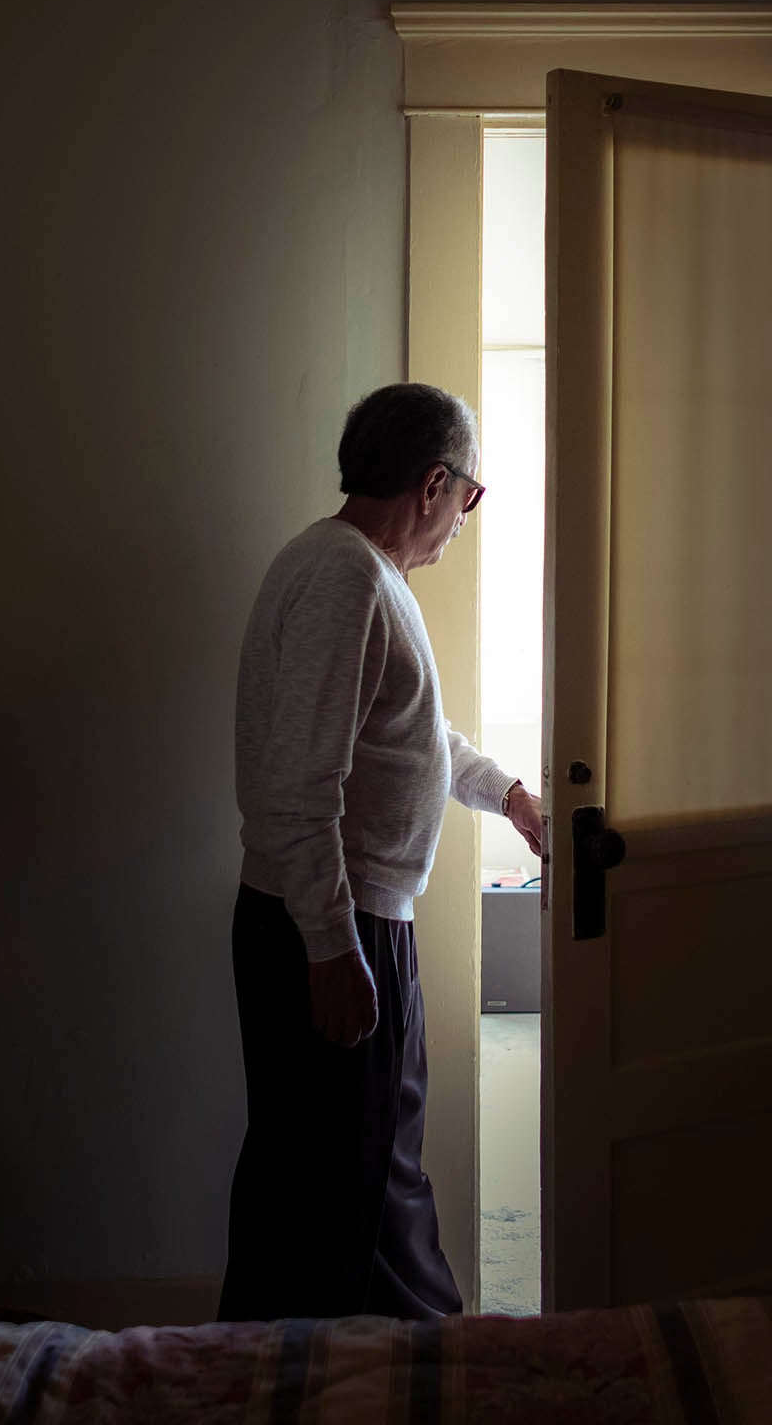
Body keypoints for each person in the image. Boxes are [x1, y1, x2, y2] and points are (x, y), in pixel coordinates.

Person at [218, 381, 545, 1322]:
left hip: (341, 921)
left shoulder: (362, 575)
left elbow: (420, 740)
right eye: (471, 499)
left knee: (338, 1177)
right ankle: (401, 1370)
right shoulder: (346, 578)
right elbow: (297, 784)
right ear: (436, 483)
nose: (463, 524)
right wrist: (330, 949)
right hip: (330, 925)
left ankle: (276, 1371)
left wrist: (511, 797)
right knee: (350, 1192)